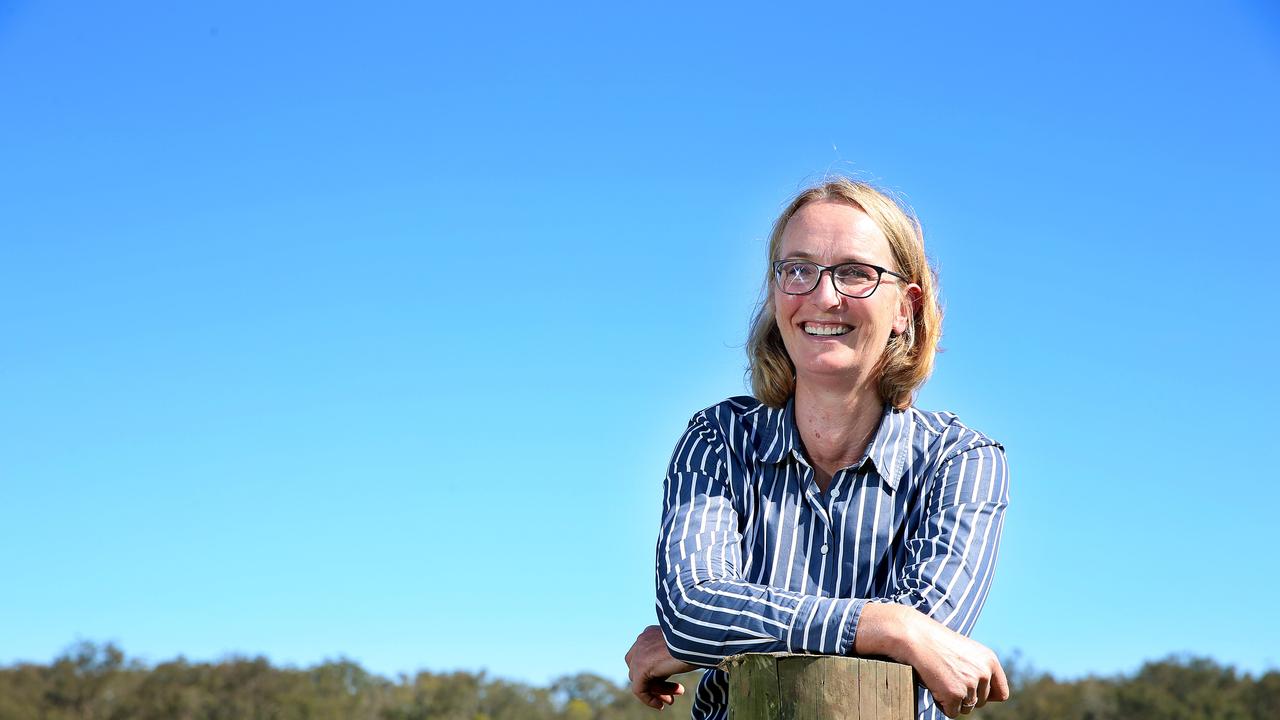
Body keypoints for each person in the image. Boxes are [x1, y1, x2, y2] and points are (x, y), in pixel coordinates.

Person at [624, 178, 1011, 720]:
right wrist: (887, 626)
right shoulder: (717, 440)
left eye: (856, 273)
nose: (823, 296)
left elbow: (929, 645)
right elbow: (691, 609)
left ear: (906, 307)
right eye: (798, 270)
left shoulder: (963, 462)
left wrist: (716, 634)